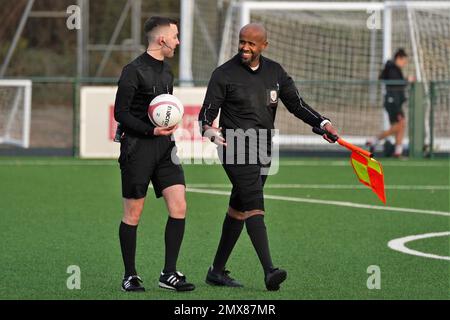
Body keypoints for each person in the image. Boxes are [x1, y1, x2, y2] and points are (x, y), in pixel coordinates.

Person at [198, 23, 339, 291]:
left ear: (264, 45)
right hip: (234, 146)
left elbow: (296, 105)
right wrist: (209, 131)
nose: (245, 48)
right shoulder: (223, 74)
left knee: (239, 207)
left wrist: (323, 124)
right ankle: (269, 271)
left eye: (251, 43)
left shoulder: (275, 72)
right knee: (254, 204)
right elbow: (207, 112)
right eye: (242, 42)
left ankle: (216, 271)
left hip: (263, 147)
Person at [114, 16, 195, 292]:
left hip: (165, 147)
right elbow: (121, 114)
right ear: (162, 39)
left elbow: (164, 109)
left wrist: (167, 127)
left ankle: (169, 273)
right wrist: (150, 132)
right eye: (175, 36)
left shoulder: (166, 71)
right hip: (138, 149)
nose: (177, 41)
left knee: (179, 205)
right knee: (133, 213)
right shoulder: (132, 71)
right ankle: (130, 275)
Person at [366, 48, 412, 158]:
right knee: (401, 125)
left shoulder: (393, 69)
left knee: (400, 126)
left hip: (394, 101)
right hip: (393, 101)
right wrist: (407, 80)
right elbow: (396, 84)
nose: (405, 63)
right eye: (404, 61)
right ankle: (374, 140)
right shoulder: (392, 69)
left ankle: (398, 152)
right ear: (399, 58)